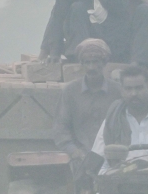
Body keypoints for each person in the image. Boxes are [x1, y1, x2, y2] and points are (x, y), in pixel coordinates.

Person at [51, 38, 122, 168]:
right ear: (81, 64)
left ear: (104, 63)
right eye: (87, 63)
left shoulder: (117, 91)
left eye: (96, 62)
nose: (91, 67)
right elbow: (61, 128)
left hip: (112, 159)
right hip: (80, 159)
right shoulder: (70, 91)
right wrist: (74, 151)